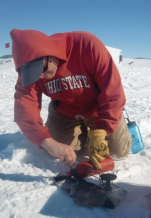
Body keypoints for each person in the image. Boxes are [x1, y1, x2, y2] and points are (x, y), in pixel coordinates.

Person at [10, 29, 132, 170]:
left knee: (118, 152)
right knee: (57, 153)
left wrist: (103, 129)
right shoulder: (28, 68)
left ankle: (105, 127)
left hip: (97, 109)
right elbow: (24, 108)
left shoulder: (87, 45)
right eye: (34, 75)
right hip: (64, 110)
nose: (40, 77)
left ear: (49, 54)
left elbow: (113, 92)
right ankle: (83, 132)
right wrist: (47, 142)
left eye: (41, 70)